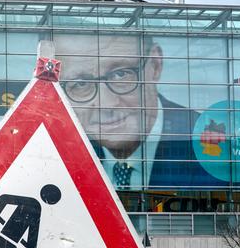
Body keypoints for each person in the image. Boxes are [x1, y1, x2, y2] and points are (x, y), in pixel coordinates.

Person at [54, 33, 221, 190]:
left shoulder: (217, 155)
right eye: (81, 84)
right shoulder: (55, 156)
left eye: (120, 74)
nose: (106, 104)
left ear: (155, 65)